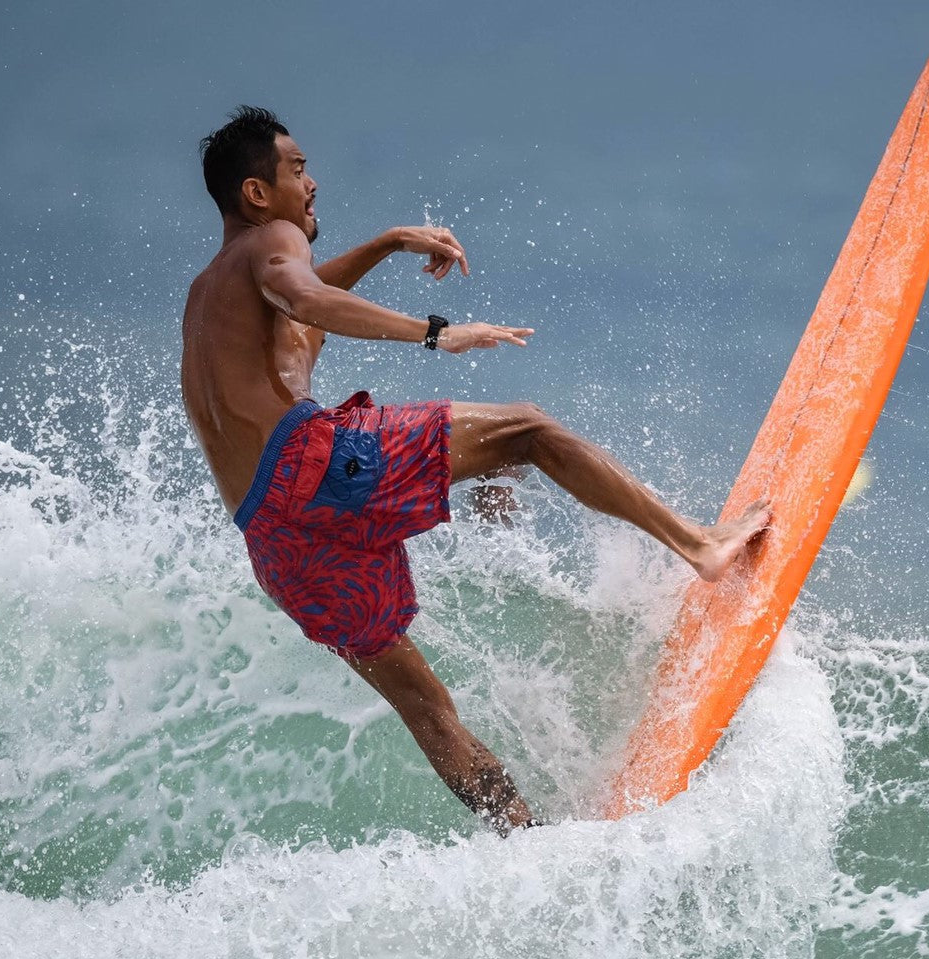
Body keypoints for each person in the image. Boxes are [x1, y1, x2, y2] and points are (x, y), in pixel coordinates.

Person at [181, 106, 770, 834]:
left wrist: (391, 241)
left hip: (275, 543)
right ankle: (699, 546)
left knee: (430, 714)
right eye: (298, 169)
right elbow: (304, 296)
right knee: (527, 429)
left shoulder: (211, 302)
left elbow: (299, 314)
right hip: (315, 468)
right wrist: (438, 331)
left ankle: (528, 848)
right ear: (257, 194)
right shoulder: (273, 244)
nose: (313, 183)